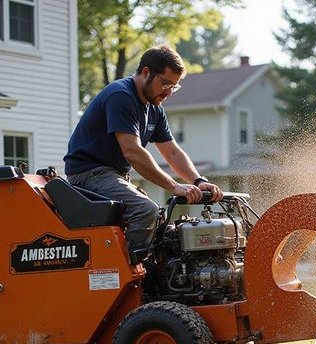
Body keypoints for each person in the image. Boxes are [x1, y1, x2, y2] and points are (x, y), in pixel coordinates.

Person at [64, 45, 222, 261]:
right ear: (146, 72)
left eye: (173, 87)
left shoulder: (154, 108)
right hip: (89, 174)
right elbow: (132, 151)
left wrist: (198, 180)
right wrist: (174, 186)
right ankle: (127, 275)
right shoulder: (121, 95)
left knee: (157, 216)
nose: (168, 92)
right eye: (165, 83)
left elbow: (172, 152)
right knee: (145, 210)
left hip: (112, 175)